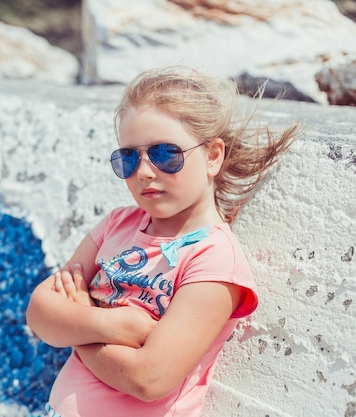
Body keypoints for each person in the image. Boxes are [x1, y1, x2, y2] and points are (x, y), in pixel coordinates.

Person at [26, 65, 301, 417]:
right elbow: (39, 314)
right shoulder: (117, 225)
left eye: (164, 154)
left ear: (213, 156)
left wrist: (78, 322)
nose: (143, 171)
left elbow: (148, 379)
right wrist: (113, 325)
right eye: (128, 158)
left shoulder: (214, 258)